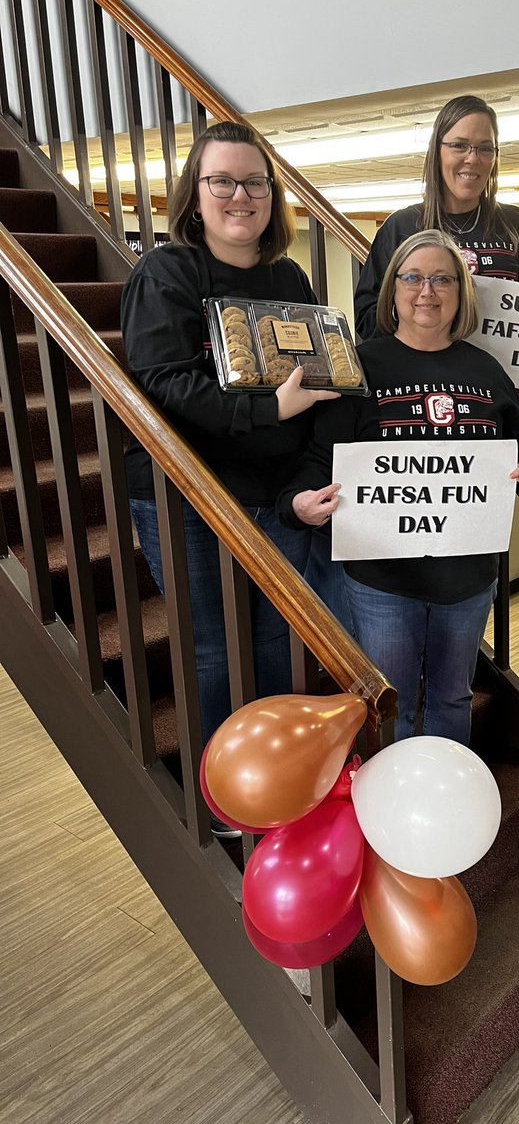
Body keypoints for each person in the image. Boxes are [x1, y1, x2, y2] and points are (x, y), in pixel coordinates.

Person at [122, 121, 338, 833]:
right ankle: (225, 801)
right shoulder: (167, 273)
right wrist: (265, 408)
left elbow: (320, 380)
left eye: (255, 182)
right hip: (186, 493)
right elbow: (161, 383)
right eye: (223, 181)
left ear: (272, 197)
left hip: (276, 494)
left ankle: (271, 780)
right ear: (196, 191)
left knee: (275, 639)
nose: (240, 195)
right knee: (214, 645)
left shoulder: (288, 278)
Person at [278, 230, 519, 746]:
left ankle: (445, 811)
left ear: (460, 293)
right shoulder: (360, 365)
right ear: (393, 289)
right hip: (383, 580)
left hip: (466, 578)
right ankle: (392, 816)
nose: (428, 291)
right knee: (387, 702)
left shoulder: (485, 369)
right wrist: (297, 505)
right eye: (414, 277)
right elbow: (319, 458)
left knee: (453, 698)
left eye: (443, 279)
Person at [352, 94, 519, 420]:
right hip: (414, 394)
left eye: (485, 148)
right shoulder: (402, 227)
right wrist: (426, 326)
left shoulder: (515, 225)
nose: (473, 158)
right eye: (459, 145)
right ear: (437, 151)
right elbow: (369, 317)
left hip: (492, 397)